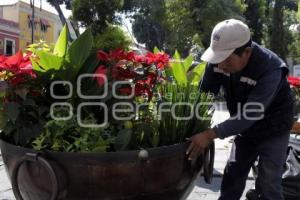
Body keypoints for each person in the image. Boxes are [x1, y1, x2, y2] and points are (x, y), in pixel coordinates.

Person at [186, 19, 295, 200]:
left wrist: (209, 134)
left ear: (247, 52)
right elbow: (204, 95)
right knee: (233, 174)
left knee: (268, 182)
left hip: (274, 128)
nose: (219, 66)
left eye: (226, 60)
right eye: (217, 59)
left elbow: (249, 114)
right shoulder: (220, 60)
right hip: (245, 129)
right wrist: (193, 125)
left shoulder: (271, 69)